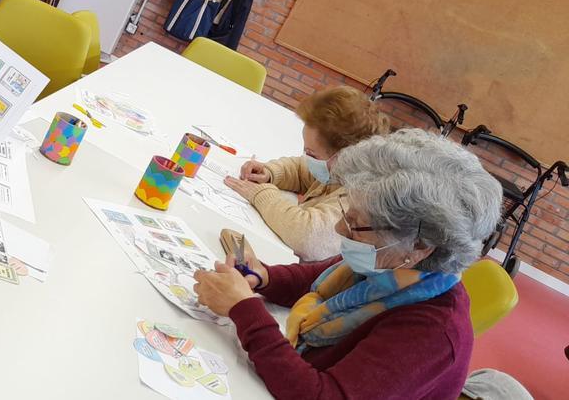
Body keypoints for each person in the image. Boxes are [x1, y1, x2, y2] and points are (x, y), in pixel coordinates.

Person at [194, 129, 503, 399]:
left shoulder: (432, 334)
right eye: (348, 212)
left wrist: (245, 311)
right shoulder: (394, 261)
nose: (341, 229)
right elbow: (319, 276)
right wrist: (264, 278)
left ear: (420, 246)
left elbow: (324, 395)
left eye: (356, 223)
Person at [224, 86, 391, 260]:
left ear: (344, 157)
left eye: (311, 153)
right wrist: (271, 172)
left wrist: (261, 194)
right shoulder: (341, 170)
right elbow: (302, 168)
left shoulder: (362, 200)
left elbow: (307, 237)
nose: (306, 156)